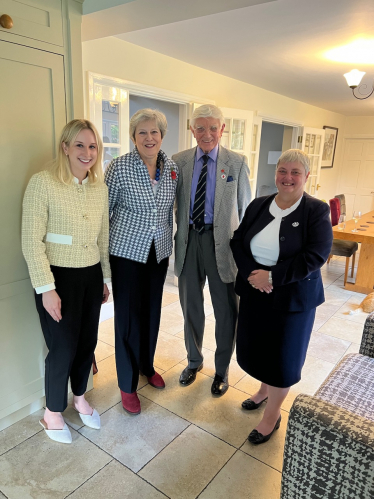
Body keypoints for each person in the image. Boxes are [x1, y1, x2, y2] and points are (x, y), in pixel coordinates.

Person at [230, 149, 333, 445]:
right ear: (275, 174)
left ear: (306, 176)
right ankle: (264, 391)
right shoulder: (259, 204)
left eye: (295, 172)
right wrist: (253, 275)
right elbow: (238, 242)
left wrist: (272, 276)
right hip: (255, 292)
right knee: (260, 349)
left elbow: (316, 255)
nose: (288, 178)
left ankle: (271, 416)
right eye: (282, 171)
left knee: (282, 358)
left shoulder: (316, 210)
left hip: (293, 300)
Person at [22, 119, 111, 444]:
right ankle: (53, 412)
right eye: (79, 145)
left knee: (87, 342)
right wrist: (47, 289)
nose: (87, 153)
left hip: (90, 277)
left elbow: (104, 238)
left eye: (92, 146)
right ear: (65, 147)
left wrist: (104, 278)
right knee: (62, 347)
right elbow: (31, 241)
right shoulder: (42, 183)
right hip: (56, 278)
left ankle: (79, 396)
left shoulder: (99, 188)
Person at [172, 104, 251, 396]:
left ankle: (222, 369)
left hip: (224, 246)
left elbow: (245, 211)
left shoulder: (237, 163)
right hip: (189, 241)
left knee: (226, 310)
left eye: (212, 127)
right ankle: (194, 361)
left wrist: (246, 255)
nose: (207, 134)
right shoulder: (178, 162)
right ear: (192, 130)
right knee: (190, 307)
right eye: (200, 128)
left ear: (222, 129)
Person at [105, 108, 178, 415]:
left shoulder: (172, 168)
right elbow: (102, 214)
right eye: (142, 133)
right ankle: (126, 383)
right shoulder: (119, 167)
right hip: (126, 254)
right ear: (133, 137)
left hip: (158, 252)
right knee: (127, 318)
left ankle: (147, 364)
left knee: (151, 312)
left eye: (154, 132)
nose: (149, 138)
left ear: (162, 135)